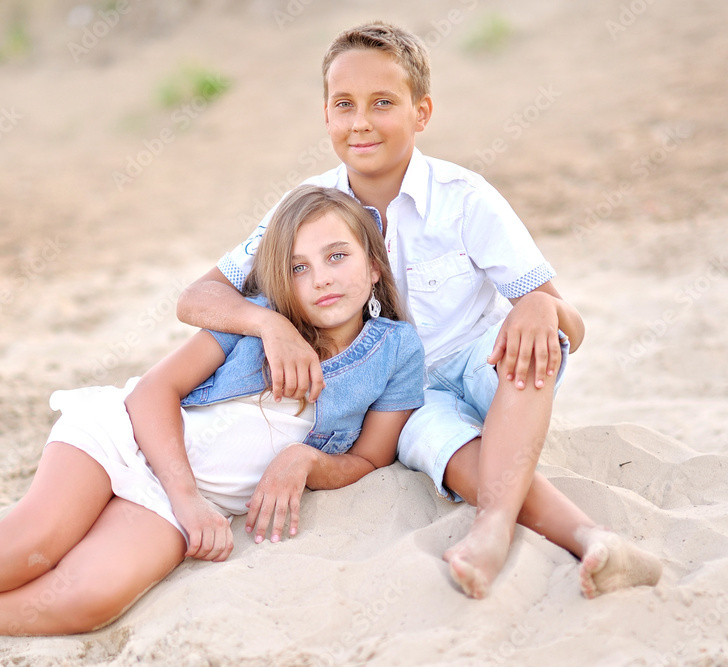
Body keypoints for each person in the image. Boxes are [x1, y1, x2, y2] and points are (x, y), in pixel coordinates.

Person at [0, 185, 425, 654]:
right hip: (130, 441)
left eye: (337, 257)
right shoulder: (255, 323)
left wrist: (304, 460)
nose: (321, 279)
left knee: (86, 601)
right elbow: (152, 393)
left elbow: (370, 458)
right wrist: (187, 499)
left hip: (182, 500)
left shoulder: (396, 352)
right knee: (29, 545)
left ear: (373, 264)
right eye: (298, 267)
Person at [177, 21, 663, 600]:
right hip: (402, 398)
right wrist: (269, 322)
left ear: (421, 112)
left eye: (383, 103)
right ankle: (591, 539)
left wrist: (538, 304)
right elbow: (197, 298)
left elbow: (571, 328)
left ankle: (492, 529)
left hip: (487, 368)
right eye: (344, 105)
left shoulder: (465, 199)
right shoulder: (307, 209)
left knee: (530, 343)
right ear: (327, 116)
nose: (361, 121)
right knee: (442, 446)